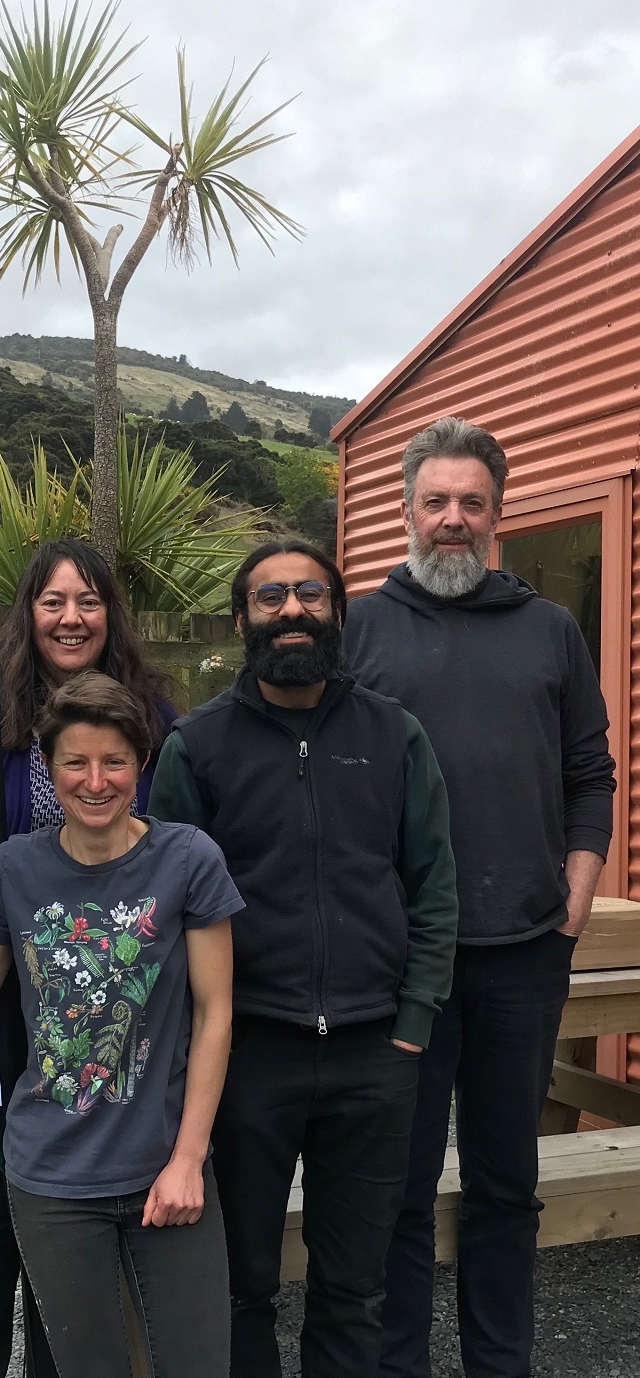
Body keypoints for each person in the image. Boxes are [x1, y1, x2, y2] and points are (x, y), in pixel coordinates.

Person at [0, 672, 242, 1378]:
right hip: (51, 1182)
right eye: (74, 763)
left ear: (140, 763)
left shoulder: (187, 860)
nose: (95, 781)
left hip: (164, 1171)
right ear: (48, 771)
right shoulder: (11, 870)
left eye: (113, 761)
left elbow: (214, 1014)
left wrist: (187, 1160)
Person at [343, 417, 616, 1378]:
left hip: (521, 955)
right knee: (399, 1188)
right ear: (404, 508)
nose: (451, 519)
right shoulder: (357, 628)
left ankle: (500, 1365)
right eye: (435, 501)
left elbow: (592, 773)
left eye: (471, 503)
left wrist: (575, 892)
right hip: (401, 964)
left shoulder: (549, 629)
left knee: (506, 1184)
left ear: (496, 515)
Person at [149, 538, 458, 1378]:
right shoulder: (196, 748)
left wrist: (413, 1017)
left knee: (355, 1286)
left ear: (337, 611)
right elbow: (165, 912)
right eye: (271, 596)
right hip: (249, 1054)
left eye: (311, 594)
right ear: (243, 618)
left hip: (373, 1055)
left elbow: (432, 882)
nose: (292, 609)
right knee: (239, 1281)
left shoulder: (394, 736)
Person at [0, 539, 177, 1378]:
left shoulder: (154, 718)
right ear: (27, 614)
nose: (71, 617)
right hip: (6, 988)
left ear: (111, 613)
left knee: (68, 1198)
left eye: (88, 601)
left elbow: (178, 854)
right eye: (52, 601)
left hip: (111, 996)